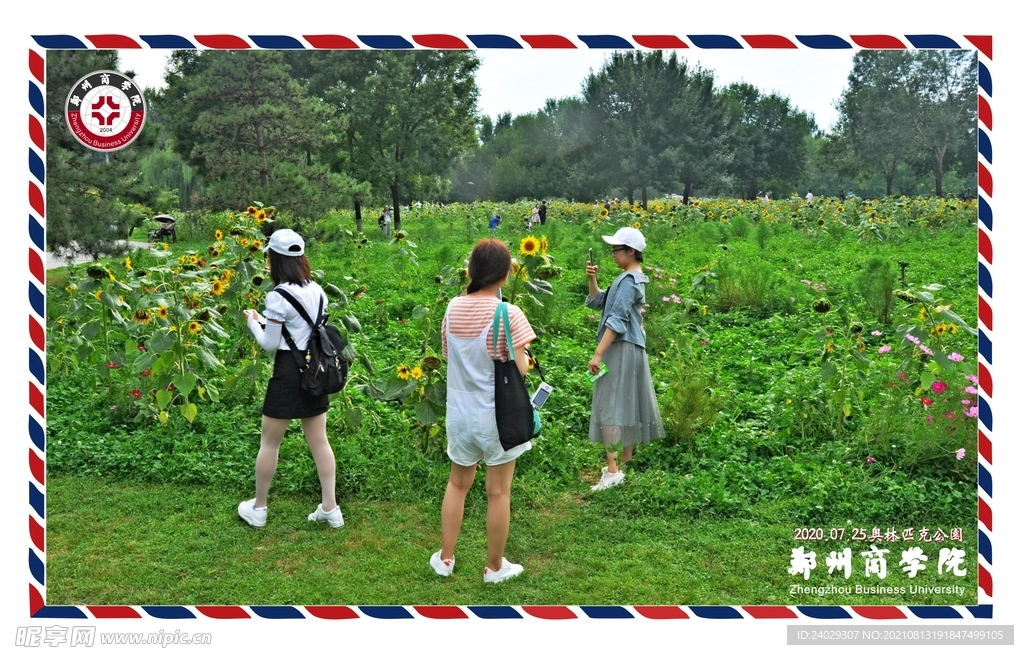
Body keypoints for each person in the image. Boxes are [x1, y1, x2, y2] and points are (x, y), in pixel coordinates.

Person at [431, 239, 536, 583]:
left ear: (473, 271)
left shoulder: (452, 308)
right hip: (497, 415)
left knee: (457, 485)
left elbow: (449, 356)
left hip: (459, 413)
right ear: (506, 274)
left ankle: (445, 558)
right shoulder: (509, 313)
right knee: (498, 492)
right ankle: (494, 567)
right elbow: (519, 368)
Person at [238, 229, 343, 529]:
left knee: (270, 442)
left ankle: (259, 508)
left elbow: (270, 344)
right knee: (320, 441)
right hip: (314, 372)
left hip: (287, 373)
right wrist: (266, 321)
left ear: (275, 259)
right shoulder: (318, 291)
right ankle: (330, 507)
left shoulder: (277, 296)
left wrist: (252, 322)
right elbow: (304, 329)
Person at [585, 227, 665, 491]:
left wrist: (598, 353)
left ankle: (613, 471)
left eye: (616, 250)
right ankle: (619, 464)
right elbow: (600, 302)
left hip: (619, 346)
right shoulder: (627, 278)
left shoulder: (630, 281)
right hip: (626, 347)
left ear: (631, 251)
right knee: (624, 404)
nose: (613, 254)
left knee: (610, 407)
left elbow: (616, 320)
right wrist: (592, 279)